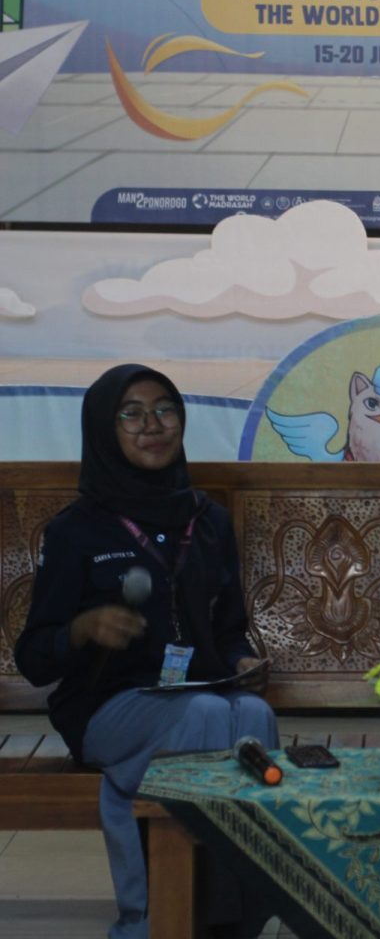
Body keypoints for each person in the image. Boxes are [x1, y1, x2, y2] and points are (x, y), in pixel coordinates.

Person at [14, 365, 277, 939]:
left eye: (164, 410)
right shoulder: (77, 530)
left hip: (199, 693)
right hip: (107, 705)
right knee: (207, 718)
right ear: (104, 431)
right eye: (130, 414)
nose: (152, 426)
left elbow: (230, 628)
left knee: (253, 715)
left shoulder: (208, 521)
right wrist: (82, 630)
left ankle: (238, 917)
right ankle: (162, 917)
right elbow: (33, 657)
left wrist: (240, 661)